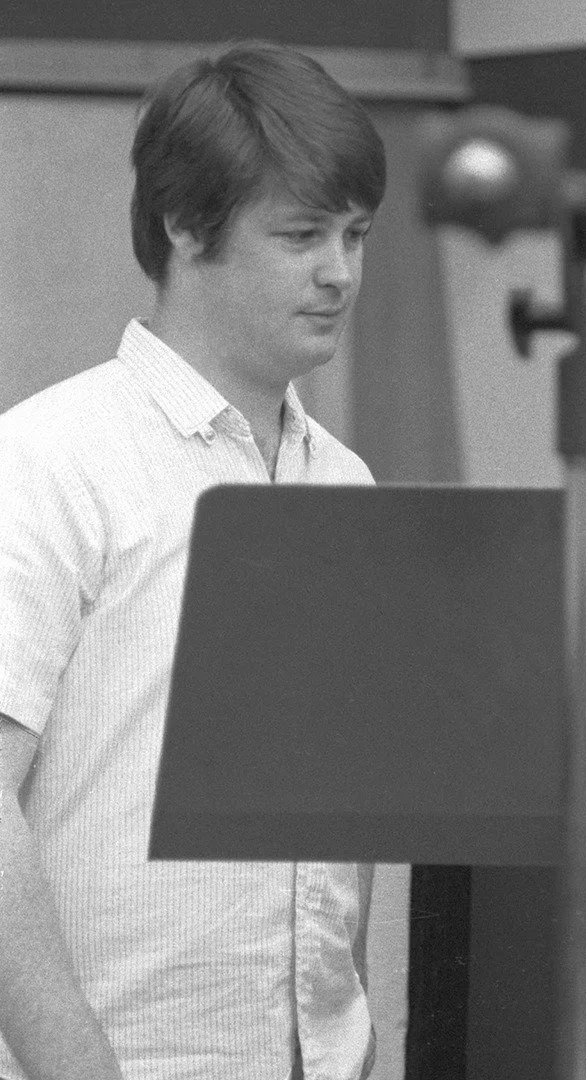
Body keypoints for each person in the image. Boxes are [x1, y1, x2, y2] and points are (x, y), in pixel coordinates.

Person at [0, 42, 386, 1080]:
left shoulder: (346, 484)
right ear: (184, 225)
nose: (340, 271)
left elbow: (348, 807)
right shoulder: (46, 460)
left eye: (355, 235)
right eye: (302, 234)